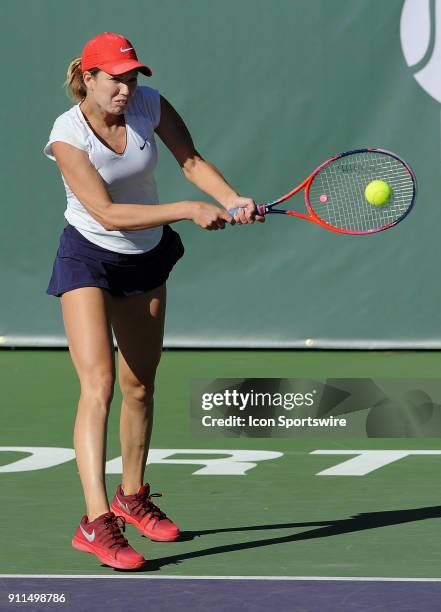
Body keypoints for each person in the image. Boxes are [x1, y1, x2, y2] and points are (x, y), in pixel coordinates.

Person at [44, 31, 263, 571]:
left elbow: (190, 161)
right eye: (114, 78)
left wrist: (229, 197)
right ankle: (96, 522)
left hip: (146, 256)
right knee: (98, 384)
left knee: (139, 382)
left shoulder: (150, 105)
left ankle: (131, 495)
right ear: (88, 79)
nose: (125, 88)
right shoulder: (68, 136)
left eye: (131, 76)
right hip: (89, 256)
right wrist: (189, 209)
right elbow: (108, 215)